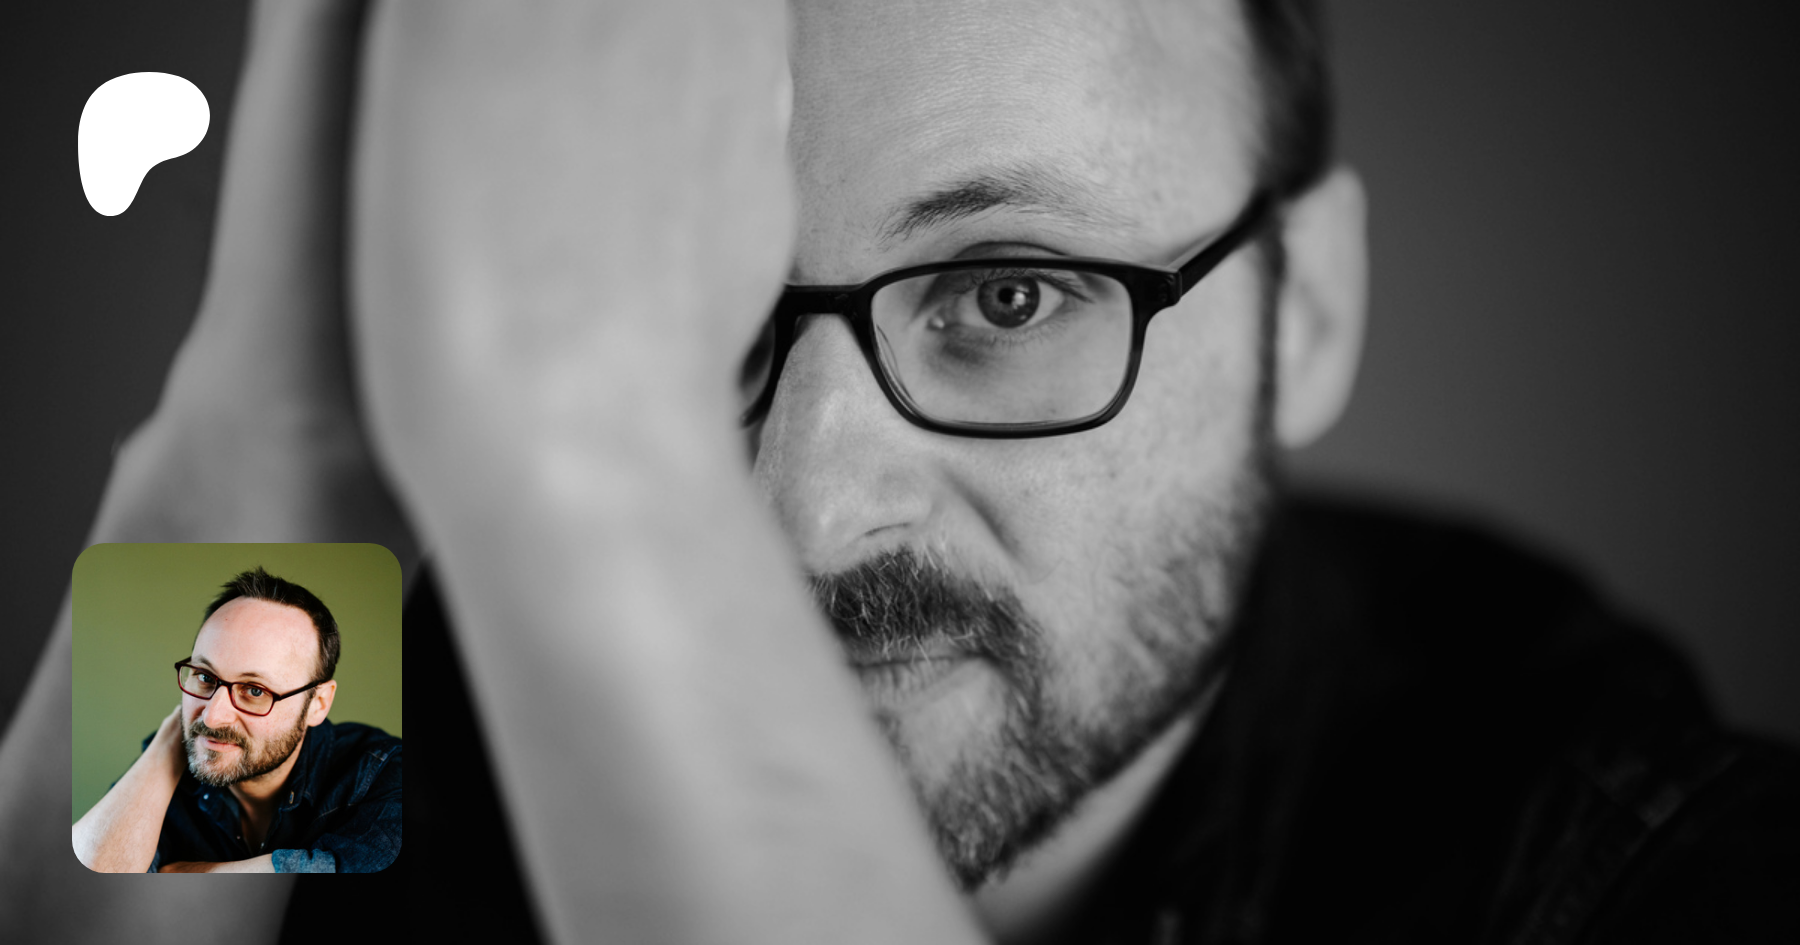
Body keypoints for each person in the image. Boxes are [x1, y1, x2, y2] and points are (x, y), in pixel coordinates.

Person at [0, 0, 1794, 942]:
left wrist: (592, 439)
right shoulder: (371, 731)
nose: (803, 512)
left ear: (1305, 311)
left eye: (1006, 295)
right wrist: (278, 449)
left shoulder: (1621, 864)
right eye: (692, 313)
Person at [70, 567, 401, 874]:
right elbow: (94, 875)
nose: (213, 717)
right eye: (205, 676)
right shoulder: (172, 759)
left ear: (318, 703)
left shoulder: (383, 771)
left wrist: (195, 873)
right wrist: (171, 738)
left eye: (255, 690)